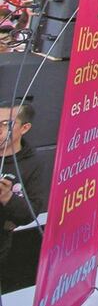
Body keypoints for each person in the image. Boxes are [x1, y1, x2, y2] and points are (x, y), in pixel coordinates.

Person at [0, 102, 48, 266]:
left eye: (6, 124)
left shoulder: (32, 163)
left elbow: (31, 212)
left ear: (24, 128)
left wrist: (8, 197)